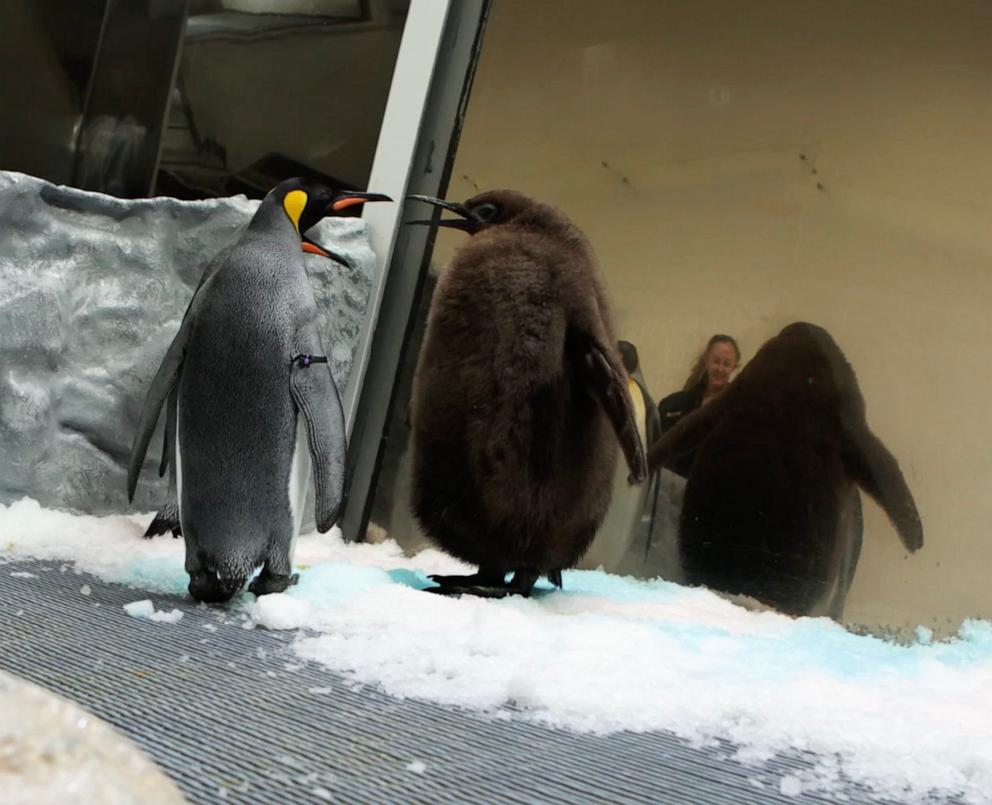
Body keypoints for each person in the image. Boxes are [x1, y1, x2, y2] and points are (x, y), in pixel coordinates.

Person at [656, 334, 741, 477]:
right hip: (668, 489)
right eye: (716, 361)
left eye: (727, 364)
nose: (720, 368)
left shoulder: (738, 410)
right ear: (706, 361)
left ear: (734, 368)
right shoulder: (672, 404)